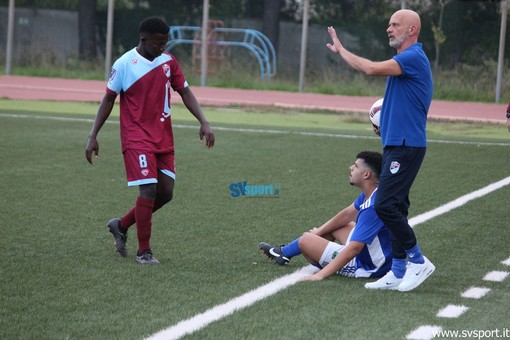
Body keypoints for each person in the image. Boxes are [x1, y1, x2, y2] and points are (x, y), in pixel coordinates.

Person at [85, 16, 215, 265]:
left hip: (163, 136)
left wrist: (204, 121)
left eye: (165, 43)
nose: (162, 48)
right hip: (136, 137)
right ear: (144, 40)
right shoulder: (125, 64)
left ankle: (120, 225)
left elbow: (185, 91)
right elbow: (108, 99)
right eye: (158, 43)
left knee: (165, 193)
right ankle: (144, 252)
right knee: (149, 189)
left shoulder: (168, 62)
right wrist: (93, 135)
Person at [326, 9, 435, 291]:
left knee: (385, 204)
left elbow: (370, 69)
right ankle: (398, 271)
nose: (389, 28)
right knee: (396, 206)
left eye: (395, 24)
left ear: (412, 30)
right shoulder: (405, 60)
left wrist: (341, 51)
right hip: (398, 144)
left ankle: (417, 260)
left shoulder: (412, 57)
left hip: (406, 146)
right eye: (388, 24)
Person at [259, 151, 392, 281]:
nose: (350, 168)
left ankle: (286, 251)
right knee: (340, 226)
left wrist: (320, 275)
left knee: (305, 240)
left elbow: (354, 248)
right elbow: (346, 215)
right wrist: (319, 232)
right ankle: (283, 252)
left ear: (366, 175)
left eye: (356, 166)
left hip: (371, 267)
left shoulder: (372, 207)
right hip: (382, 255)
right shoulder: (374, 193)